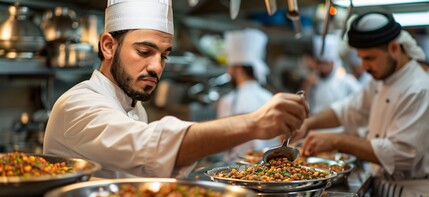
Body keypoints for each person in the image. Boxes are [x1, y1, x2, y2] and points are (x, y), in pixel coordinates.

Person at [43, 0, 309, 178]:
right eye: (144, 51)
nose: (157, 67)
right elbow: (151, 146)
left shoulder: (135, 107)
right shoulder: (78, 104)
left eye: (164, 55)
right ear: (108, 46)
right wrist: (254, 123)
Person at [293, 11, 429, 197]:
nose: (364, 66)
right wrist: (309, 123)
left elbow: (400, 154)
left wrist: (337, 140)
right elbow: (347, 110)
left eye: (370, 58)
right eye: (361, 57)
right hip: (385, 193)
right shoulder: (382, 79)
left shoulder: (418, 88)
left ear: (394, 48)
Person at [216, 28, 280, 161]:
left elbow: (221, 139)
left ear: (238, 69)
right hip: (268, 167)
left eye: (230, 67)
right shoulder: (269, 97)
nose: (228, 72)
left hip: (236, 169)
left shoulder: (229, 100)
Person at [300, 34, 361, 115]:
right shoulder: (312, 81)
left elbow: (362, 102)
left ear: (333, 63)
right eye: (319, 63)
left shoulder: (346, 81)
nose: (321, 67)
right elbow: (303, 106)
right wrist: (307, 85)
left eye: (325, 63)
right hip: (315, 124)